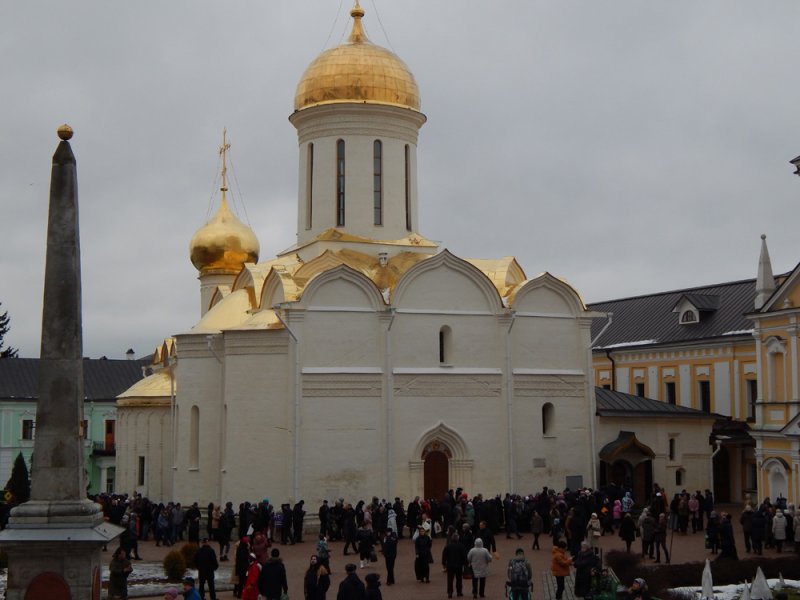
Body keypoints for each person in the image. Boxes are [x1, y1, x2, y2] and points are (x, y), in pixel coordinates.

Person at [442, 533, 468, 598]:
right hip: (459, 566)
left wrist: (444, 564)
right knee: (459, 579)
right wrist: (466, 563)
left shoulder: (448, 546)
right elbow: (464, 556)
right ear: (458, 538)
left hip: (450, 565)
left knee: (450, 580)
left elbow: (444, 556)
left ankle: (450, 592)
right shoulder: (461, 546)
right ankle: (459, 592)